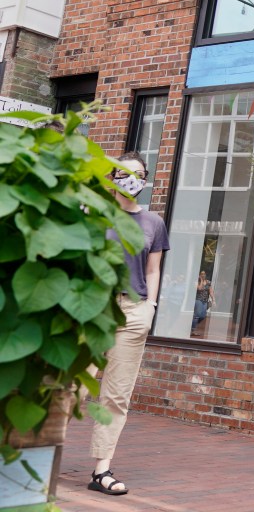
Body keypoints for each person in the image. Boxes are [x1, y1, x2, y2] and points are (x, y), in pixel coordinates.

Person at [88, 152, 170, 496]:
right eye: (126, 173)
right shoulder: (95, 214)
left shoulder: (154, 223)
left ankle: (101, 470)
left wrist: (150, 305)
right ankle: (38, 454)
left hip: (133, 311)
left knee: (116, 396)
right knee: (72, 386)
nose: (132, 179)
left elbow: (153, 269)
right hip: (94, 308)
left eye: (139, 174)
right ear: (113, 177)